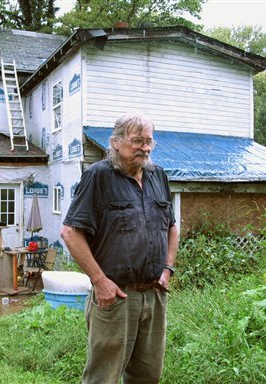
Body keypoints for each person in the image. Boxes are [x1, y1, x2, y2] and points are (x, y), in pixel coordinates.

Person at [60, 113, 178, 384]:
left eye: (149, 141)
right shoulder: (98, 176)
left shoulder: (158, 175)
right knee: (103, 377)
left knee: (148, 375)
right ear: (115, 142)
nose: (145, 148)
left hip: (155, 294)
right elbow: (70, 232)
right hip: (116, 297)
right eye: (137, 141)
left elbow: (171, 227)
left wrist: (168, 269)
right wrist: (100, 282)